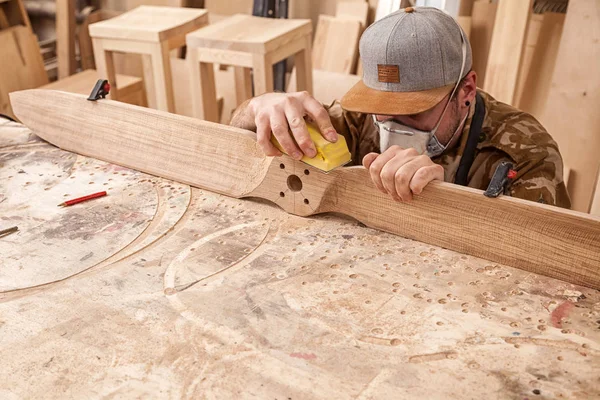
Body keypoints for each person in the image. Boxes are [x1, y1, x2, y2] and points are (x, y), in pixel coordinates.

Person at [230, 7, 571, 208]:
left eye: (414, 110)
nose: (391, 124)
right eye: (382, 106)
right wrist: (258, 107)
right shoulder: (359, 120)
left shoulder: (525, 152)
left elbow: (543, 262)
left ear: (466, 89)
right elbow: (238, 141)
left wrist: (445, 200)